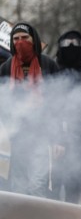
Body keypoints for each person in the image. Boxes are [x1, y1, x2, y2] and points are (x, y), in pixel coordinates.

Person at [0, 23, 61, 198]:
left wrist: (58, 138)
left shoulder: (48, 64)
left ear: (33, 40)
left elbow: (59, 103)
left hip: (41, 135)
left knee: (37, 184)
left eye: (24, 38)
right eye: (16, 39)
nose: (20, 42)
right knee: (18, 185)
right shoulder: (5, 68)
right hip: (17, 137)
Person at [53, 30, 81, 204]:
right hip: (57, 133)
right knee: (56, 179)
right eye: (66, 43)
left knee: (79, 180)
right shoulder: (54, 70)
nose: (71, 47)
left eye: (75, 43)